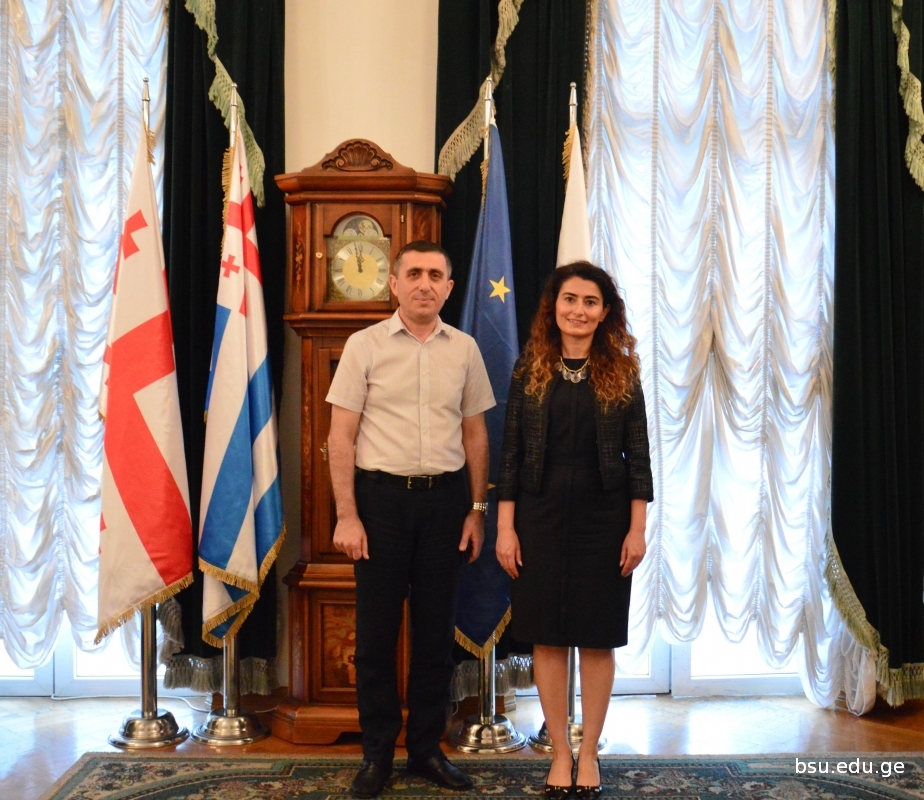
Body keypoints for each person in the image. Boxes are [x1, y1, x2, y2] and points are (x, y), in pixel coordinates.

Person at [326, 240, 495, 798]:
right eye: (414, 273)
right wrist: (347, 515)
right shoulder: (364, 346)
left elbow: (475, 435)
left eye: (435, 275)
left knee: (434, 639)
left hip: (445, 505)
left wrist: (476, 511)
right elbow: (341, 437)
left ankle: (425, 751)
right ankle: (377, 756)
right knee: (375, 642)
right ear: (394, 284)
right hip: (379, 506)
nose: (425, 284)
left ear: (449, 288)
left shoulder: (465, 349)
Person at [496, 262, 653, 799]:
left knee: (596, 637)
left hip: (604, 522)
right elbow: (510, 457)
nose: (578, 310)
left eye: (590, 302)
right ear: (554, 306)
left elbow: (639, 461)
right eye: (570, 299)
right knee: (547, 636)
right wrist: (505, 528)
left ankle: (589, 754)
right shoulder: (530, 370)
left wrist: (637, 529)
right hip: (537, 519)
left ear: (605, 312)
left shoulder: (623, 373)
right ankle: (559, 752)